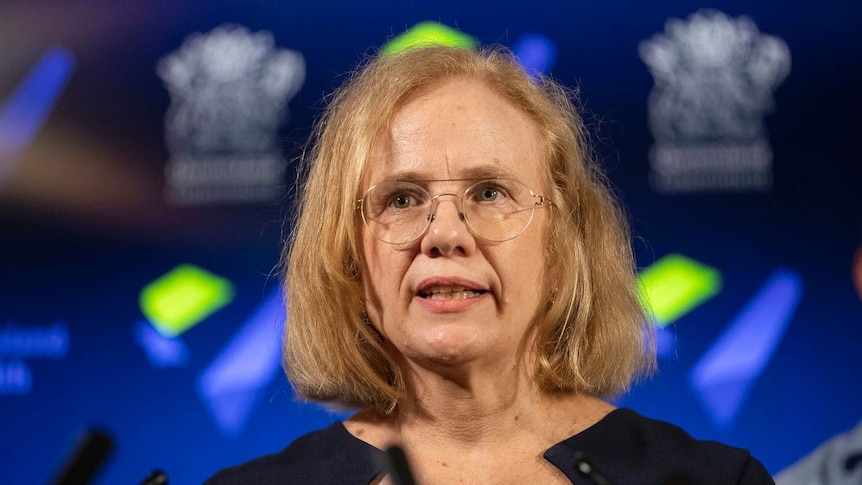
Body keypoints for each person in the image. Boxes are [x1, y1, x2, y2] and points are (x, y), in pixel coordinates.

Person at [206, 45, 773, 484]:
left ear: (563, 243)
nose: (446, 234)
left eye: (490, 192)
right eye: (402, 198)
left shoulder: (715, 480)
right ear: (347, 252)